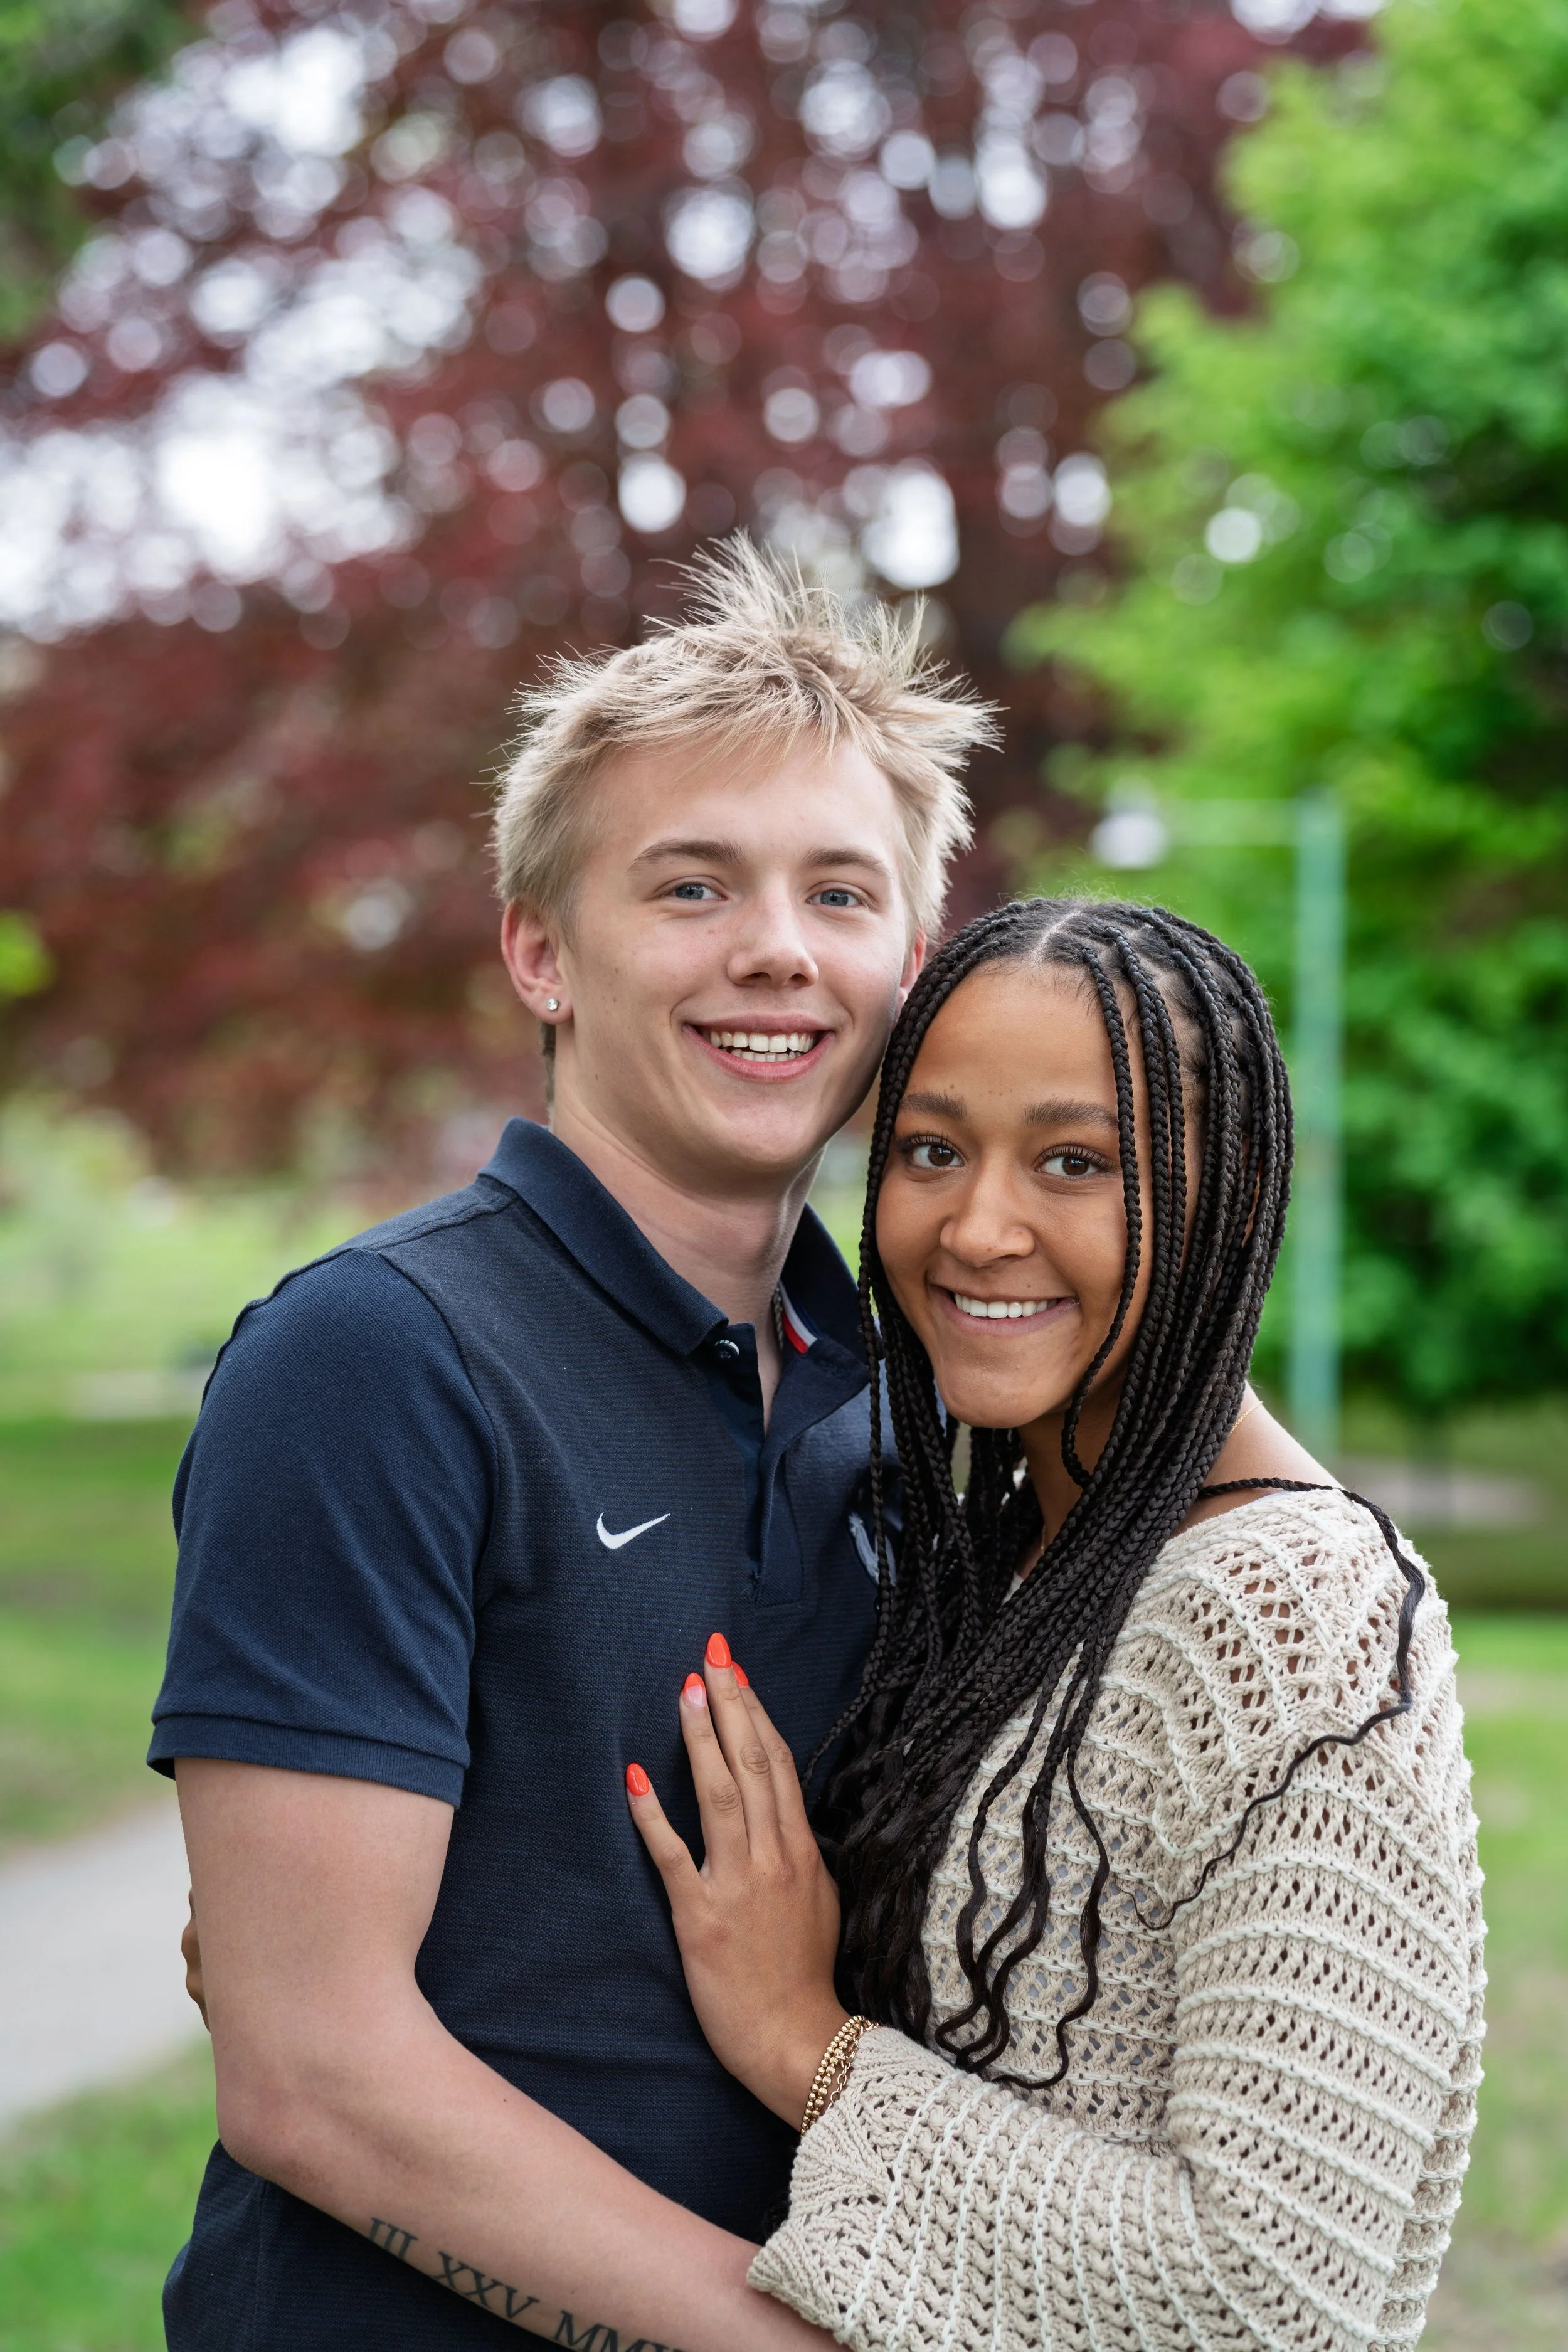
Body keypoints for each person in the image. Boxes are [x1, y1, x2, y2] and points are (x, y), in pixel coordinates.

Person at [151, 541, 995, 2351]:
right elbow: (309, 2070)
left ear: (906, 964)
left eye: (838, 892)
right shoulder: (376, 1353)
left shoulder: (903, 1396)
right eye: (689, 885)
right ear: (541, 946)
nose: (774, 943)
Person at [627, 896, 1485, 2352]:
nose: (976, 1226)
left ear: (1220, 1198)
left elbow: (1273, 2292)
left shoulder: (1289, 1616)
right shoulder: (1015, 1550)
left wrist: (807, 2053)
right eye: (931, 1150)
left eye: (1073, 1163)